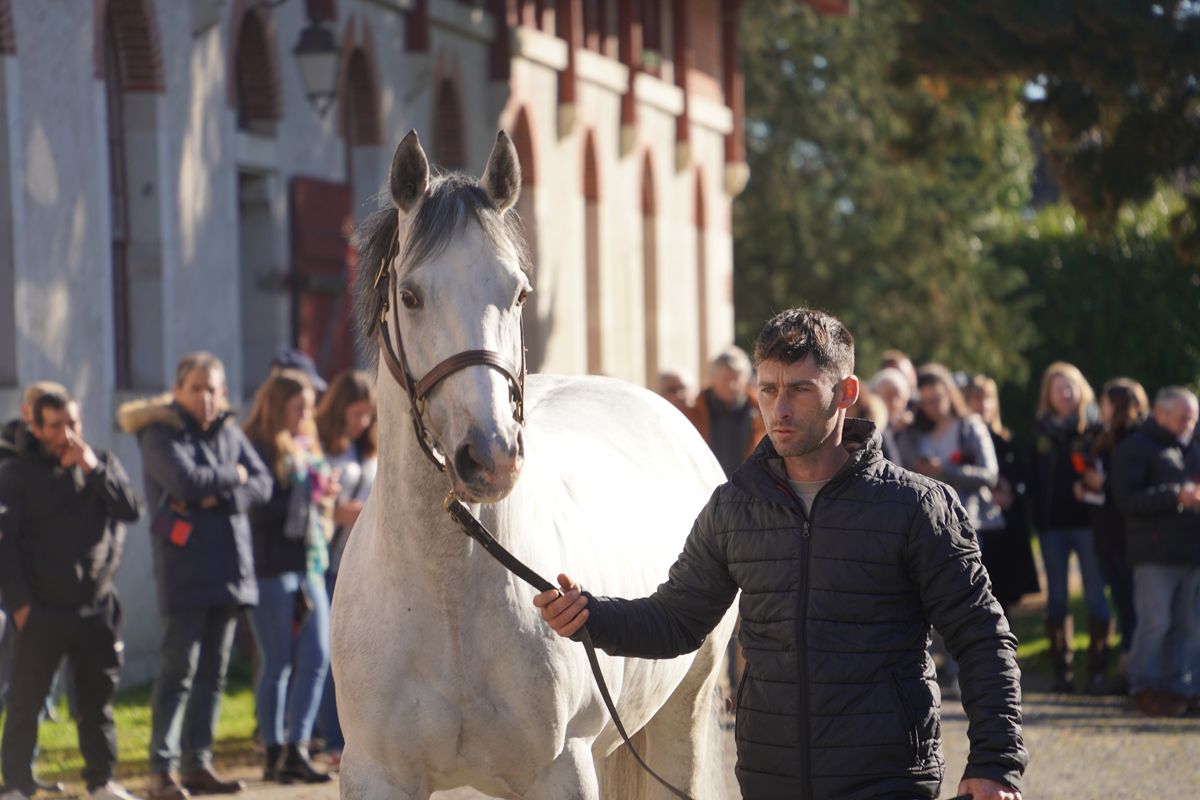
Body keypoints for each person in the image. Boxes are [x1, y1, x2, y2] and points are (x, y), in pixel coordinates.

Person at [535, 309, 1027, 800]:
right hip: (771, 780)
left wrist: (995, 762)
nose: (780, 408)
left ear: (846, 392)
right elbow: (677, 620)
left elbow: (982, 638)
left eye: (800, 389)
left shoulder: (917, 507)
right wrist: (590, 616)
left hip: (887, 780)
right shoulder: (733, 507)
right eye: (768, 389)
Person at [120, 353, 272, 800]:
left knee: (214, 674)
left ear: (222, 392)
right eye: (196, 388)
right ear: (177, 390)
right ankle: (161, 771)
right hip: (185, 570)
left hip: (230, 569)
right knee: (177, 672)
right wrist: (234, 475)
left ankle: (198, 765)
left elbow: (263, 482)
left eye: (213, 388)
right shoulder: (159, 433)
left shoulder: (230, 431)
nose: (206, 397)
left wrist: (221, 493)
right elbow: (184, 483)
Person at [0, 390, 145, 800]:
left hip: (95, 606)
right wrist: (21, 606)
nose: (66, 434)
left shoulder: (100, 462)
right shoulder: (15, 474)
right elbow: (6, 547)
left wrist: (93, 468)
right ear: (35, 427)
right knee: (25, 702)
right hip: (40, 610)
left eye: (73, 423)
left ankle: (101, 782)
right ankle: (16, 785)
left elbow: (132, 510)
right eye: (55, 426)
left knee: (97, 702)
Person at [243, 371, 338, 784]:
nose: (306, 415)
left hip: (310, 562)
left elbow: (312, 501)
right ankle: (274, 751)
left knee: (316, 657)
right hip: (271, 567)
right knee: (278, 661)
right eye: (298, 407)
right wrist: (305, 494)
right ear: (276, 406)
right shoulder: (256, 446)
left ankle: (298, 748)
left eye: (309, 407)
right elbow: (255, 509)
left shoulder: (306, 445)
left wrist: (322, 494)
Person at [1111, 386, 1200, 717]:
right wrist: (1176, 496)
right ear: (1160, 414)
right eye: (1183, 419)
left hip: (1191, 551)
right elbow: (1126, 500)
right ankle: (1143, 688)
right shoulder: (1135, 448)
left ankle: (1180, 687)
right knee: (1155, 623)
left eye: (1193, 419)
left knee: (1187, 627)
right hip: (1154, 552)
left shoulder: (1191, 448)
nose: (1188, 425)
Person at [0, 383, 71, 796]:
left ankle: (20, 773)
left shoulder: (63, 456)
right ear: (28, 414)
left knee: (29, 688)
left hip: (39, 588)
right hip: (9, 588)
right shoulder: (7, 457)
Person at [1029, 362, 1111, 693]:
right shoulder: (1040, 430)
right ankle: (1061, 671)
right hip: (1052, 526)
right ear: (1047, 394)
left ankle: (1097, 671)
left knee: (1095, 594)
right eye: (1058, 387)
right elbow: (1034, 477)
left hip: (1089, 524)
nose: (1065, 393)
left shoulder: (1096, 429)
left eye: (1070, 386)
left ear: (1081, 390)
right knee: (1057, 598)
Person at [312, 370, 378, 764]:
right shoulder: (320, 444)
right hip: (325, 559)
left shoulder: (369, 446)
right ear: (339, 410)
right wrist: (337, 511)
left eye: (368, 414)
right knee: (326, 651)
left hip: (364, 560)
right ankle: (329, 738)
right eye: (356, 413)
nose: (363, 422)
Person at [1077, 378, 1149, 695]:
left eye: (1104, 401)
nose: (1100, 407)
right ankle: (1127, 669)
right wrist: (1086, 487)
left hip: (1127, 536)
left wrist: (1102, 484)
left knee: (1133, 607)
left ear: (1116, 404)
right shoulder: (1103, 435)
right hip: (1105, 533)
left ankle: (1133, 672)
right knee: (1123, 604)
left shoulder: (1137, 439)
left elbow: (1126, 488)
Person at [963, 375, 1041, 615]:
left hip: (1007, 530)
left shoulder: (1005, 439)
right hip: (977, 527)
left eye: (989, 398)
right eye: (977, 398)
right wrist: (988, 496)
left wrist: (1012, 493)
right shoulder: (962, 440)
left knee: (1004, 600)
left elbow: (1025, 480)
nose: (984, 405)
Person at [683, 346, 767, 479]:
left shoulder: (763, 413)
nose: (732, 385)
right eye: (726, 378)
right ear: (712, 377)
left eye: (736, 379)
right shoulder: (692, 412)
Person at [870, 366, 913, 435]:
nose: (893, 403)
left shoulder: (911, 429)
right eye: (888, 396)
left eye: (898, 397)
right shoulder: (869, 429)